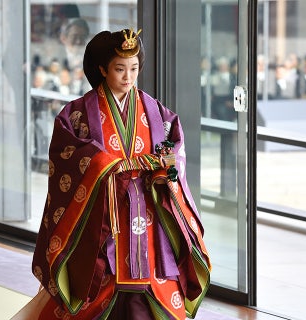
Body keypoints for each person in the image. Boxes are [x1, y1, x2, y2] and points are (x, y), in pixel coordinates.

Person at [21, 28, 211, 319]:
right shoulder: (79, 113)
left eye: (134, 68)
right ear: (102, 70)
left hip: (147, 208)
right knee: (100, 284)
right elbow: (66, 154)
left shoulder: (155, 110)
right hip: (105, 210)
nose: (128, 77)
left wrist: (164, 166)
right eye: (120, 69)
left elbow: (174, 147)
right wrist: (107, 166)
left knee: (153, 279)